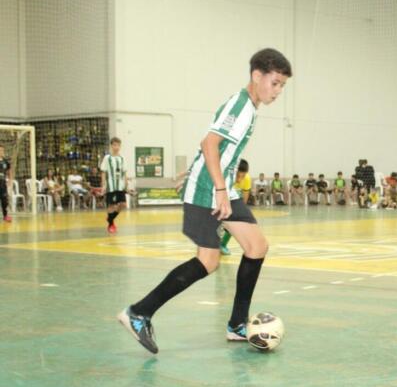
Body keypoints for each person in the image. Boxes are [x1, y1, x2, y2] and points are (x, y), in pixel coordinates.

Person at [117, 48, 291, 354]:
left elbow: (215, 148)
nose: (277, 91)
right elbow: (209, 143)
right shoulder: (240, 106)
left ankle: (237, 324)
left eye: (282, 86)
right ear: (257, 76)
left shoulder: (249, 107)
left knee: (256, 246)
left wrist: (206, 175)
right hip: (209, 190)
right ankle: (139, 313)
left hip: (219, 186)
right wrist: (219, 188)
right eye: (274, 83)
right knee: (208, 261)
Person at [220, 159, 252, 255]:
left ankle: (222, 244)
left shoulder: (247, 179)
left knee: (235, 221)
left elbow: (245, 195)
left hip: (233, 200)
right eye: (237, 176)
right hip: (220, 199)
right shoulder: (226, 177)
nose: (239, 180)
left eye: (243, 176)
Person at [100, 138, 128, 232]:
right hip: (110, 185)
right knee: (111, 205)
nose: (117, 147)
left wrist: (126, 184)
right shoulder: (107, 158)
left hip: (120, 185)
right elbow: (103, 172)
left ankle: (110, 218)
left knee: (123, 204)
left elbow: (124, 172)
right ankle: (111, 225)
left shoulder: (122, 158)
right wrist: (103, 185)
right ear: (111, 146)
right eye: (115, 145)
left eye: (118, 145)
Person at [0, 145, 11, 222]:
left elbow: (9, 170)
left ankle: (5, 216)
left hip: (2, 183)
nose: (1, 152)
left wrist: (10, 180)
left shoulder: (5, 161)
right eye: (0, 150)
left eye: (2, 150)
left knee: (4, 199)